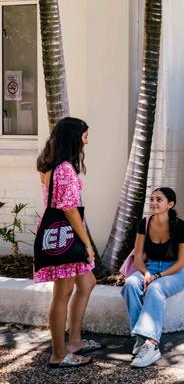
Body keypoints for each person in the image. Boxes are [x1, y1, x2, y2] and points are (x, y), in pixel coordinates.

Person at [34, 117, 100, 369]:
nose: (87, 141)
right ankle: (59, 354)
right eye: (85, 135)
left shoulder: (49, 164)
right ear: (74, 137)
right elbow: (69, 210)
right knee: (61, 294)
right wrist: (87, 244)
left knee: (87, 282)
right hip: (66, 237)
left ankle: (74, 341)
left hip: (58, 233)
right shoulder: (64, 169)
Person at [121, 187, 184, 368]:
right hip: (149, 267)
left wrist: (158, 276)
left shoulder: (181, 227)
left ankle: (152, 344)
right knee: (130, 284)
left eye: (159, 200)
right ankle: (141, 338)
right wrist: (146, 273)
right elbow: (138, 257)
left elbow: (181, 262)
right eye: (152, 199)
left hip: (173, 272)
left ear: (170, 204)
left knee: (155, 288)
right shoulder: (144, 223)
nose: (153, 203)